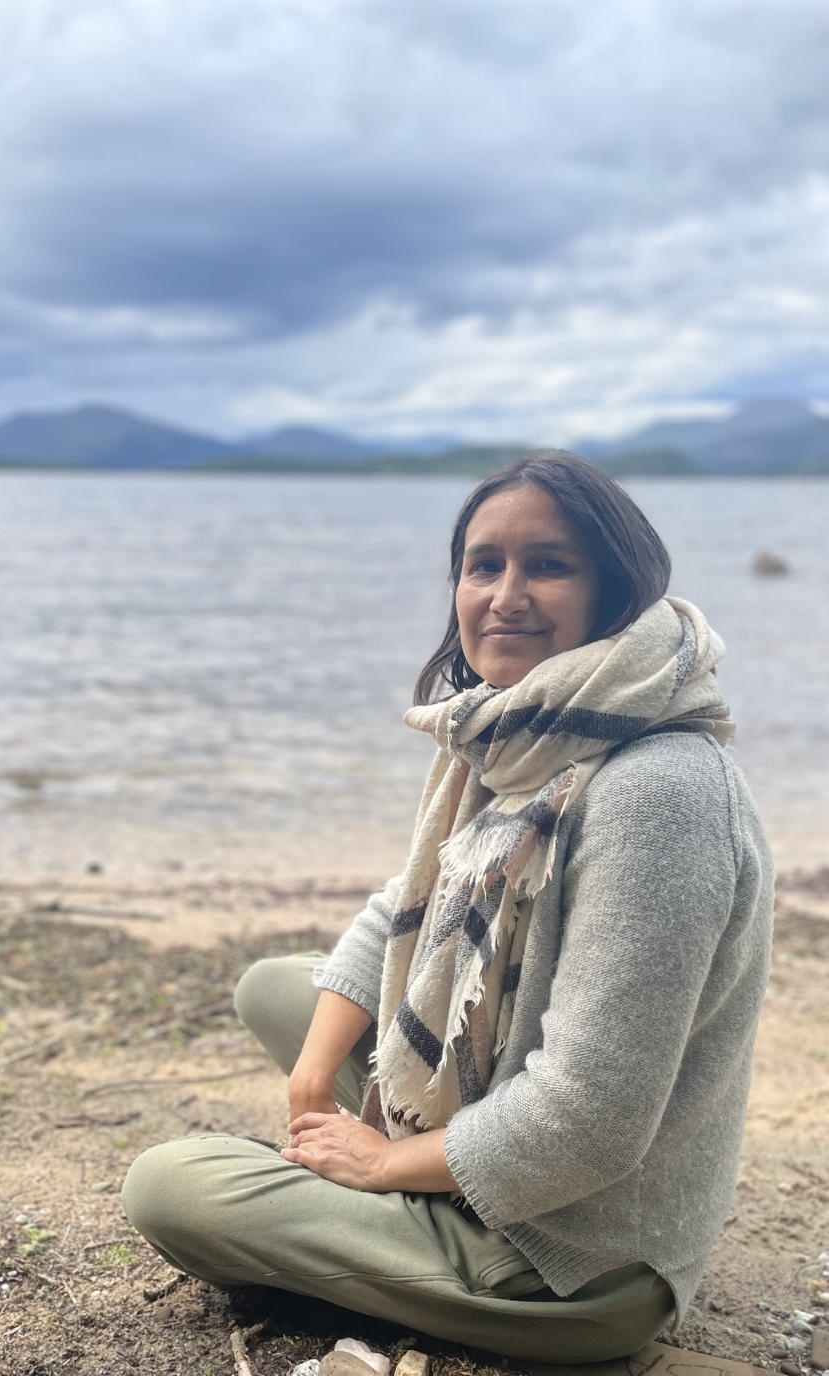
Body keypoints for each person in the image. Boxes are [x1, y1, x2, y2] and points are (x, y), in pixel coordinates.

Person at [120, 450, 773, 1364]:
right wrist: (312, 1079)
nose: (505, 595)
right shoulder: (514, 733)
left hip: (576, 1260)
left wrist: (381, 1163)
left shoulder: (657, 790)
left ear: (612, 588)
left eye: (547, 565)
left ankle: (425, 1222)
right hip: (508, 1123)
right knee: (277, 988)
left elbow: (590, 1115)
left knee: (167, 1188)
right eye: (482, 565)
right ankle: (410, 1196)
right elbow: (406, 905)